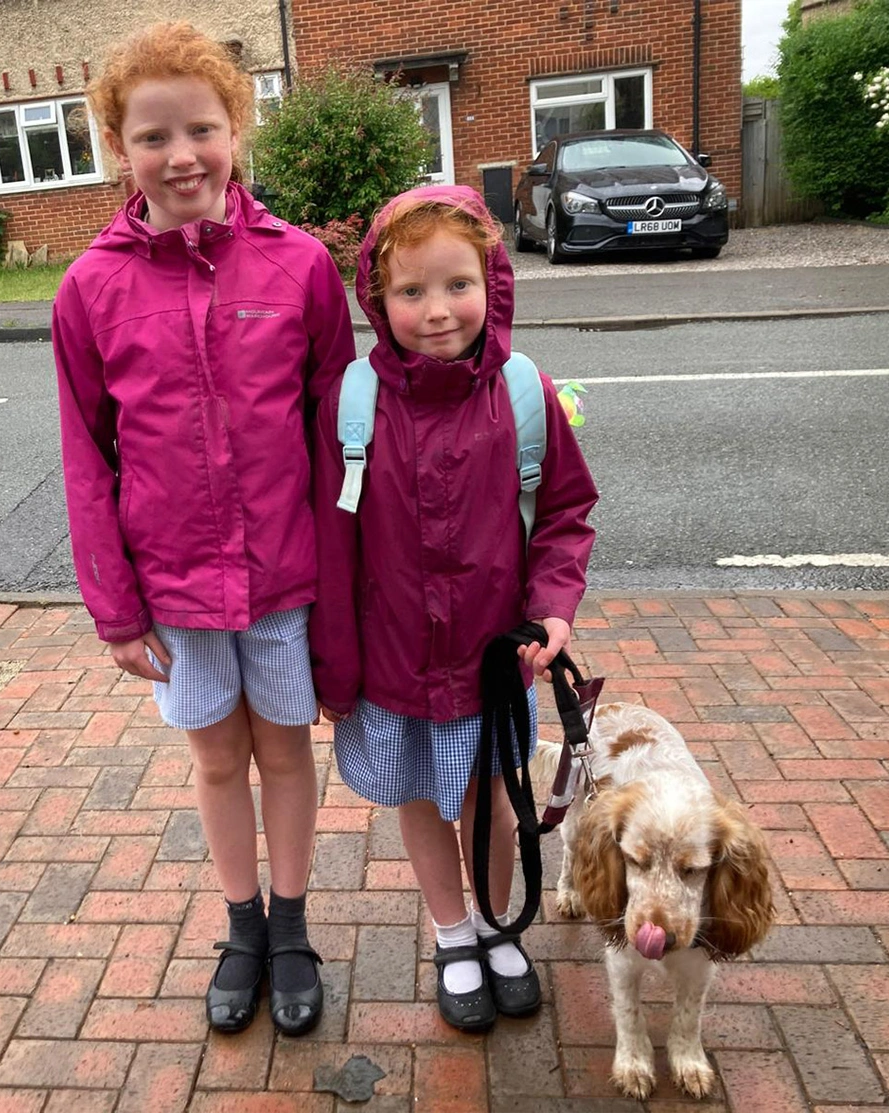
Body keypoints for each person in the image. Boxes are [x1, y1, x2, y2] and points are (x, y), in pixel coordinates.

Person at [52, 21, 355, 1037]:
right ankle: (242, 925)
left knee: (284, 755)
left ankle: (294, 926)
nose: (181, 156)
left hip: (282, 583)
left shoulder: (302, 267)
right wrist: (113, 608)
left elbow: (335, 441)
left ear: (237, 129)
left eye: (202, 129)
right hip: (174, 591)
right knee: (217, 762)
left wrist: (341, 580)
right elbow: (87, 457)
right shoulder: (90, 288)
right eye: (152, 136)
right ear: (117, 148)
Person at [309, 186, 597, 1032]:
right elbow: (332, 542)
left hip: (491, 657)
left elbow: (564, 512)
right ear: (378, 297)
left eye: (457, 285)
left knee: (491, 797)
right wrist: (336, 661)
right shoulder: (352, 403)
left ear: (492, 282)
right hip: (392, 656)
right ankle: (451, 930)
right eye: (411, 292)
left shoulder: (523, 394)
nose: (437, 311)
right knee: (420, 798)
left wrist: (552, 606)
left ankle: (501, 926)